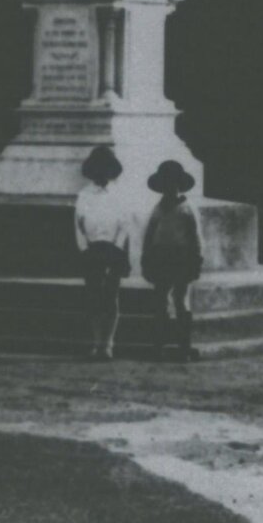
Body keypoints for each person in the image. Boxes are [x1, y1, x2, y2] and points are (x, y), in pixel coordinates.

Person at [141, 160, 205, 361]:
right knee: (160, 302)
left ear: (179, 185)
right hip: (161, 257)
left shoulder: (187, 208)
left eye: (173, 183)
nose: (170, 188)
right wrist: (146, 256)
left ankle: (183, 347)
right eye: (166, 184)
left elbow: (196, 236)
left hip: (181, 257)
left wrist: (197, 259)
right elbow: (149, 234)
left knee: (181, 300)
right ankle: (158, 345)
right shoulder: (158, 208)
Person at [73, 145, 132, 361]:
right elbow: (78, 225)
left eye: (106, 169)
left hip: (114, 248)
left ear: (112, 170)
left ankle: (109, 343)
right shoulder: (85, 195)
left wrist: (116, 248)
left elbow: (125, 223)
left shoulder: (119, 194)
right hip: (93, 249)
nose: (102, 174)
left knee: (111, 295)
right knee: (94, 296)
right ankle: (97, 342)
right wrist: (85, 249)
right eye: (98, 169)